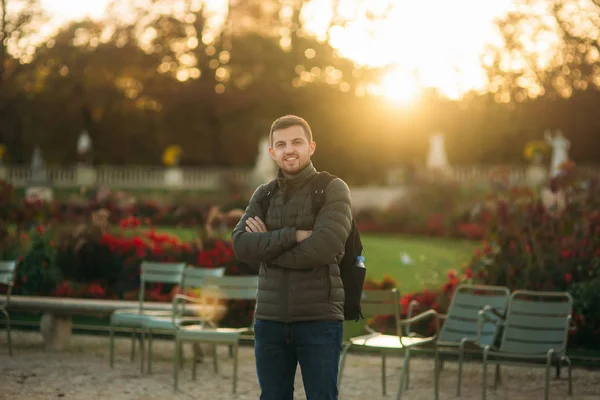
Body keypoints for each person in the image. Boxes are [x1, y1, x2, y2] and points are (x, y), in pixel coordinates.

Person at [232, 115, 353, 399]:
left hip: (319, 320)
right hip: (269, 321)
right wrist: (293, 235)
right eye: (281, 144)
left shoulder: (332, 189)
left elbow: (324, 247)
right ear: (272, 152)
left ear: (311, 146)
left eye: (297, 142)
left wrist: (267, 248)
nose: (290, 150)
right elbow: (241, 246)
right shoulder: (263, 195)